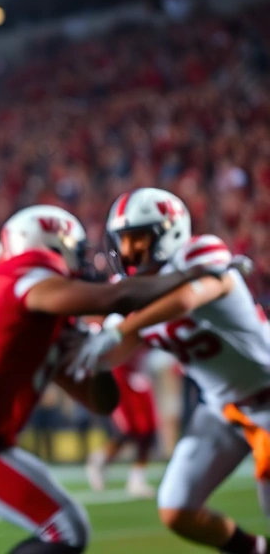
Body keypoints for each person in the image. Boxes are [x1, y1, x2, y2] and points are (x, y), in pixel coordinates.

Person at [0, 204, 243, 554]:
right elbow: (116, 297)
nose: (81, 263)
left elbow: (101, 400)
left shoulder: (38, 302)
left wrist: (92, 356)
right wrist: (189, 275)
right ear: (49, 246)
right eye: (76, 250)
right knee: (67, 530)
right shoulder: (26, 275)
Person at [71, 188, 270, 554]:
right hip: (222, 409)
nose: (127, 252)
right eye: (123, 241)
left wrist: (121, 327)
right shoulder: (130, 291)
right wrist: (88, 344)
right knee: (177, 509)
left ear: (169, 232)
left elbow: (185, 299)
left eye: (138, 239)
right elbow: (114, 354)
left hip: (267, 397)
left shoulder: (200, 252)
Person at [85, 339, 159, 498]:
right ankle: (100, 459)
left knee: (149, 431)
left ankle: (137, 479)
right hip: (121, 378)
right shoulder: (118, 323)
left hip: (139, 377)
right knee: (127, 430)